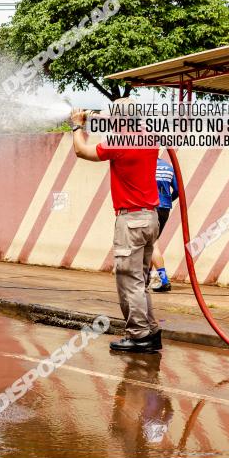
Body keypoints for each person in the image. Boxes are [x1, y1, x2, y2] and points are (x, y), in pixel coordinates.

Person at [71, 107, 162, 353]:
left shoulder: (119, 141)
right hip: (150, 217)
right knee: (140, 281)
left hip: (130, 219)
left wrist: (77, 125)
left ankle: (138, 335)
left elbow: (81, 150)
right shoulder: (150, 137)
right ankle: (150, 331)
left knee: (129, 281)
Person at [150, 154, 180, 293]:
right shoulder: (168, 166)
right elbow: (178, 190)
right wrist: (167, 200)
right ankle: (145, 278)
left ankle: (164, 280)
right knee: (149, 243)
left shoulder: (146, 164)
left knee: (152, 244)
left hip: (151, 207)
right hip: (164, 209)